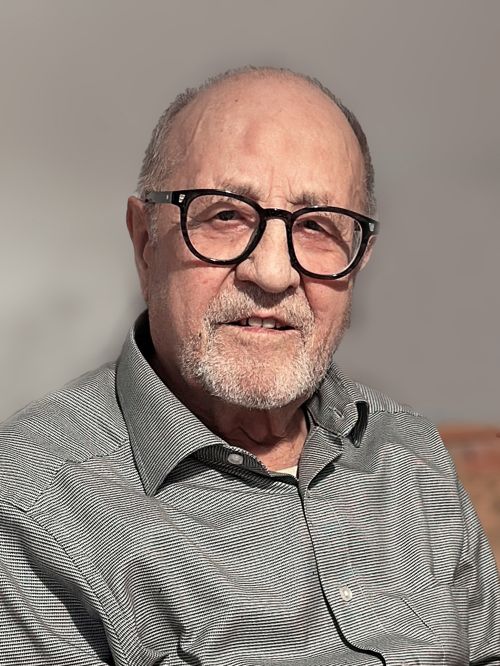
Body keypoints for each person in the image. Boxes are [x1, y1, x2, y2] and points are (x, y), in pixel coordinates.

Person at [0, 66, 498, 666]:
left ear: (359, 258)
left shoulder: (411, 452)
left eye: (317, 226)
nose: (272, 273)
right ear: (145, 242)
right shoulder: (32, 499)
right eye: (225, 216)